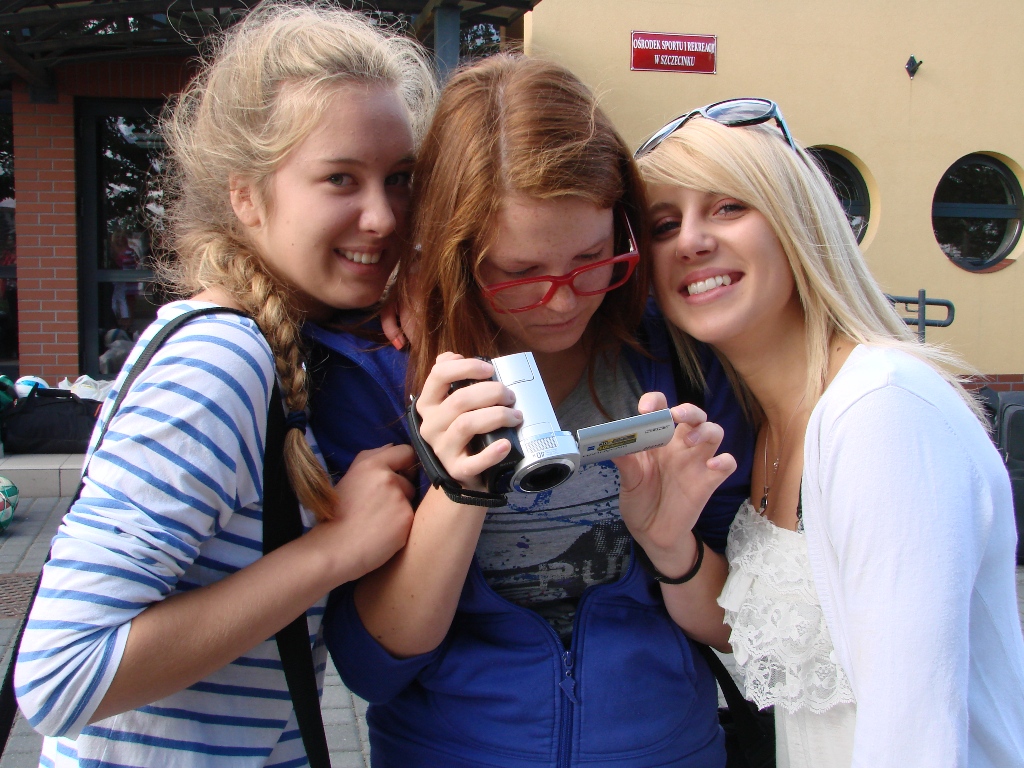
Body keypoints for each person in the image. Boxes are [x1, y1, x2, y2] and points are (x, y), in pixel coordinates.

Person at [14, 4, 436, 766]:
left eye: (399, 179)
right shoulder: (221, 363)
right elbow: (59, 678)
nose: (382, 216)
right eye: (340, 178)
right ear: (245, 196)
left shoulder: (285, 345)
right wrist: (333, 551)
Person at [307, 55, 754, 767]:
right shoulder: (375, 375)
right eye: (519, 272)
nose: (564, 301)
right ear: (451, 253)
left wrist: (674, 544)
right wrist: (458, 491)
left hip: (665, 746)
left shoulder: (680, 356)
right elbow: (371, 668)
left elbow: (746, 627)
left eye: (593, 258)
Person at [635, 98, 1024, 767]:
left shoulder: (880, 410)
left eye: (728, 206)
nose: (692, 241)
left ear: (798, 221)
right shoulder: (778, 424)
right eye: (664, 225)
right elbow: (767, 632)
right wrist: (665, 538)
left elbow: (914, 738)